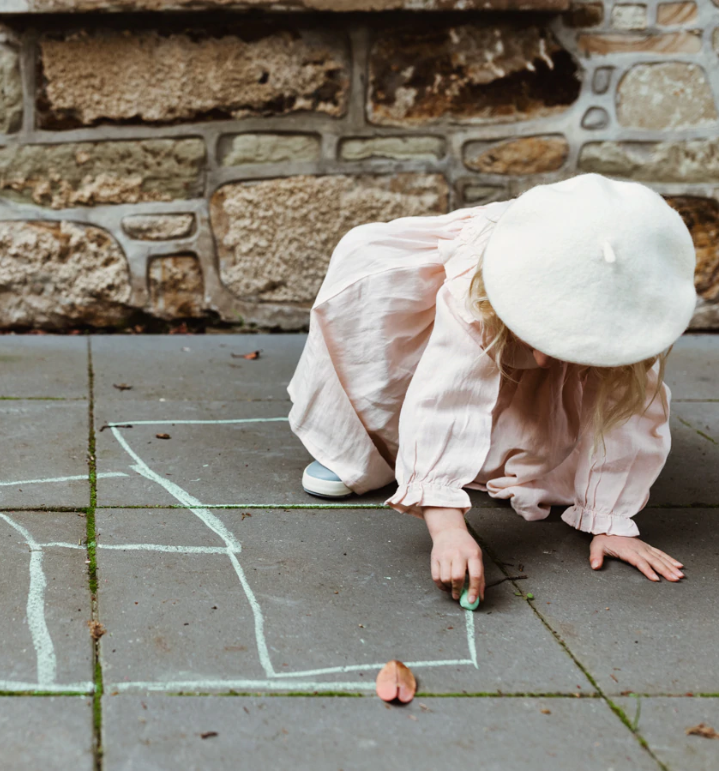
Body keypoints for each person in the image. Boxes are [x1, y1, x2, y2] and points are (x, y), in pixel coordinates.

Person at [287, 173, 697, 607]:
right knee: (389, 354)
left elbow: (629, 411)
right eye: (543, 339)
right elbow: (447, 395)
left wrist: (610, 521)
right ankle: (368, 444)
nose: (544, 361)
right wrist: (447, 529)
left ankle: (461, 452)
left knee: (563, 403)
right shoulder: (480, 284)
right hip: (437, 306)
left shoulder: (637, 313)